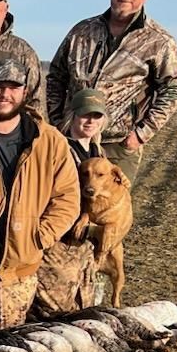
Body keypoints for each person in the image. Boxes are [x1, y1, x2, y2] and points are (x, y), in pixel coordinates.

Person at [0, 60, 80, 334]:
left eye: (13, 87)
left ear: (25, 93)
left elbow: (68, 199)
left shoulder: (50, 141)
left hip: (22, 250)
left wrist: (40, 237)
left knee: (3, 332)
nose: (4, 94)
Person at [46, 0, 177, 184]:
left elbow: (174, 89)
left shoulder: (158, 41)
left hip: (117, 145)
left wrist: (140, 134)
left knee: (111, 205)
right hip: (71, 141)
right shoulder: (82, 31)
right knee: (65, 202)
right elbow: (56, 76)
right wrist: (57, 122)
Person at [34, 88, 110, 315]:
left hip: (84, 245)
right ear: (72, 115)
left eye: (96, 115)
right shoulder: (59, 148)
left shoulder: (98, 152)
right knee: (56, 310)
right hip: (60, 243)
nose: (90, 121)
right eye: (85, 114)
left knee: (84, 308)